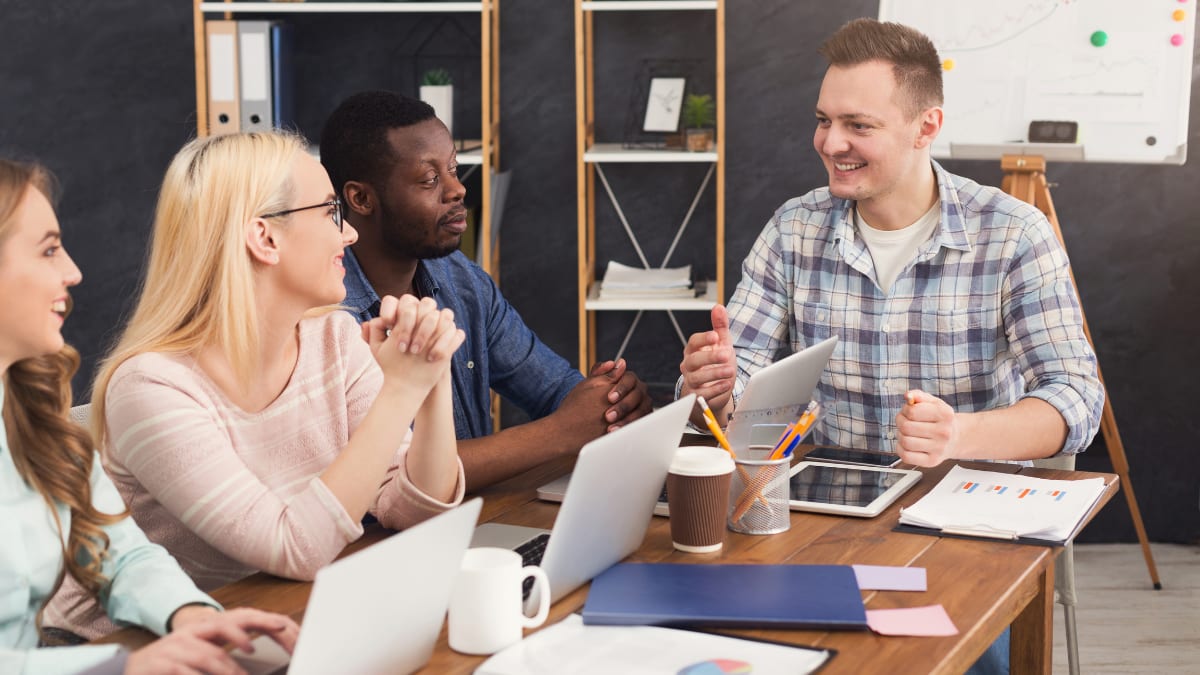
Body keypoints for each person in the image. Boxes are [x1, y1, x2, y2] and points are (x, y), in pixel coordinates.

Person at [679, 18, 1105, 675]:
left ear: (925, 127)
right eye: (824, 120)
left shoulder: (1013, 234)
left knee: (947, 661)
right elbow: (741, 403)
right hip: (822, 522)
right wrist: (713, 386)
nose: (831, 143)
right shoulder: (795, 230)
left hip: (961, 533)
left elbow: (1076, 400)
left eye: (858, 125)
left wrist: (960, 433)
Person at [47, 130, 466, 639]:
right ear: (264, 238)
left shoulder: (332, 337)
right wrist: (400, 391)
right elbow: (296, 548)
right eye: (332, 212)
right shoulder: (151, 387)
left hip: (272, 619)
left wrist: (431, 378)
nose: (350, 234)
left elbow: (414, 509)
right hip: (133, 647)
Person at [0, 157, 299, 674]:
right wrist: (117, 669)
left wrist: (188, 614)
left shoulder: (27, 414)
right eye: (48, 250)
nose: (73, 271)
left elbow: (117, 554)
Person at [319, 91, 653, 491]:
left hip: (483, 523)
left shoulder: (462, 281)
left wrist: (609, 402)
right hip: (383, 546)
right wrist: (562, 432)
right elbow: (393, 476)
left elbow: (554, 390)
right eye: (429, 180)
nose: (457, 190)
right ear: (360, 199)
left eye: (453, 169)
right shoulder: (328, 318)